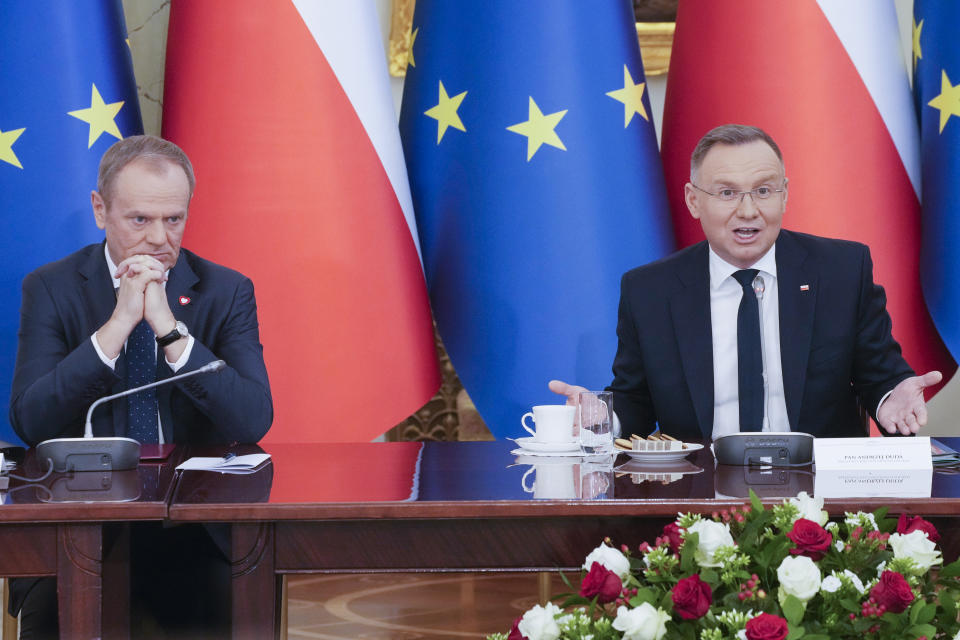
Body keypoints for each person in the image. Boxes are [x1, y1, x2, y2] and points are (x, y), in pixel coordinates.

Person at [8, 135, 273, 638]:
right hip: (77, 528)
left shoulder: (225, 289)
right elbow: (30, 420)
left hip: (195, 532)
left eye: (173, 219)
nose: (158, 238)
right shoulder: (51, 287)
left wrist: (169, 331)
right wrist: (118, 325)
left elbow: (252, 417)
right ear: (100, 210)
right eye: (139, 220)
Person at [551, 124, 940, 441]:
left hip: (822, 494)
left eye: (764, 191)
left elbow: (880, 372)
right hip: (698, 499)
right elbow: (635, 399)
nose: (749, 210)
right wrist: (602, 418)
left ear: (785, 195)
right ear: (693, 200)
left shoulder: (841, 270)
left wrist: (891, 396)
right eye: (727, 193)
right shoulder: (650, 291)